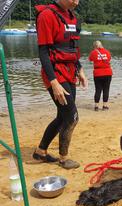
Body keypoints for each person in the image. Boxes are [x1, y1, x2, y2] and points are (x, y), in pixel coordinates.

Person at [33, 0, 87, 169]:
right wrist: (53, 82)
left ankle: (40, 151)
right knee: (72, 117)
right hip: (55, 73)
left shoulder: (72, 17)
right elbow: (43, 52)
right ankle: (64, 158)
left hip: (70, 72)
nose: (76, 1)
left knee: (62, 116)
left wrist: (80, 69)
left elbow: (72, 47)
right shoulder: (47, 15)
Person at [88, 41, 113, 111]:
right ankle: (104, 106)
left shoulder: (93, 52)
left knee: (98, 89)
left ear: (95, 46)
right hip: (108, 73)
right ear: (101, 45)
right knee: (106, 89)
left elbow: (90, 59)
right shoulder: (107, 52)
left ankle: (96, 106)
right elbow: (109, 59)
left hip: (98, 73)